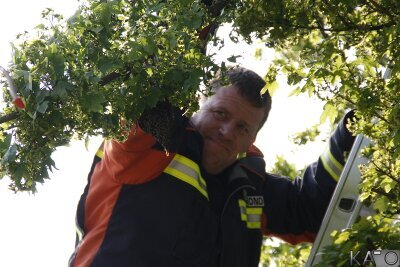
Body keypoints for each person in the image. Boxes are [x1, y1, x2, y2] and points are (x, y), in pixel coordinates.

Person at [69, 66, 356, 267]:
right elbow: (150, 85)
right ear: (197, 104)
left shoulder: (249, 187)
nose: (227, 131)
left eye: (242, 128)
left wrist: (352, 132)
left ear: (252, 139)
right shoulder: (152, 143)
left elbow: (311, 210)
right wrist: (203, 15)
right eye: (220, 113)